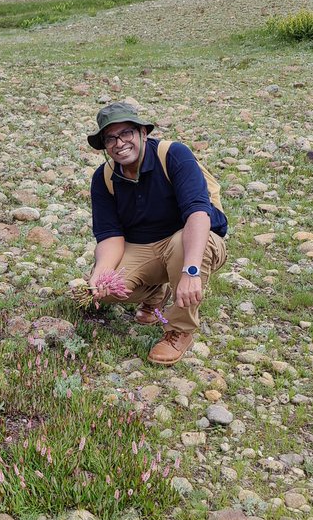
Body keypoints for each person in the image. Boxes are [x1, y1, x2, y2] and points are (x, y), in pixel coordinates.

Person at [86, 101, 229, 365]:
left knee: (182, 247)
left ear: (143, 133)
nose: (119, 143)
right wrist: (100, 274)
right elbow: (110, 235)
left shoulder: (174, 155)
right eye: (110, 138)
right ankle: (155, 295)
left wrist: (191, 272)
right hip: (144, 246)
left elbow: (198, 214)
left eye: (126, 133)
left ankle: (179, 329)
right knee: (106, 291)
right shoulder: (103, 178)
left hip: (192, 239)